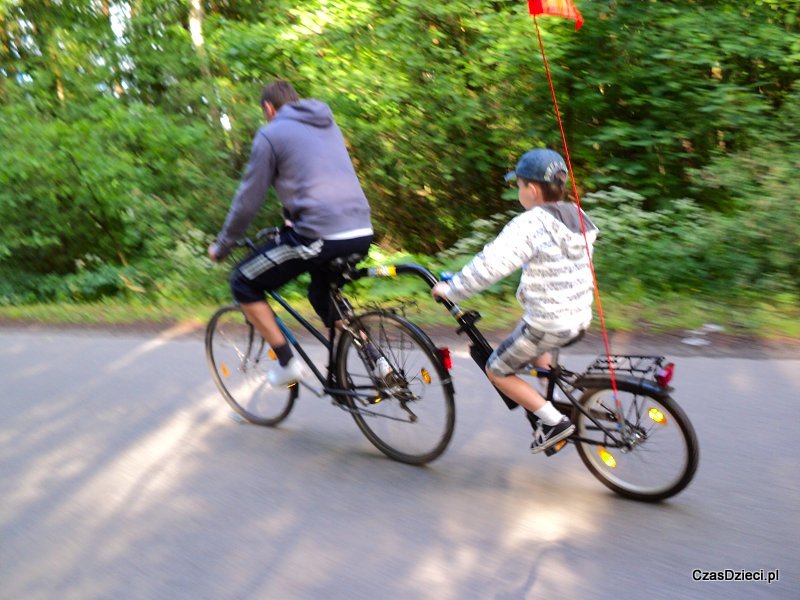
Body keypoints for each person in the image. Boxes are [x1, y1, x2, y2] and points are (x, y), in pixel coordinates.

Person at [431, 148, 598, 454]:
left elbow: (489, 266)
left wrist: (451, 290)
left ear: (532, 190)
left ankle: (553, 422)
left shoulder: (530, 224)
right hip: (578, 317)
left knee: (497, 370)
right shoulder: (578, 216)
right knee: (531, 337)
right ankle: (543, 403)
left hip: (548, 322)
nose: (518, 191)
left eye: (519, 186)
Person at [209, 80, 373, 387]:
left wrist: (223, 245)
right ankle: (378, 363)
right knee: (321, 294)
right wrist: (290, 217)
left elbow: (248, 200)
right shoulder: (326, 123)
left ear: (269, 109)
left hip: (320, 235)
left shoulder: (270, 134)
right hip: (362, 228)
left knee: (242, 281)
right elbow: (310, 175)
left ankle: (286, 365)